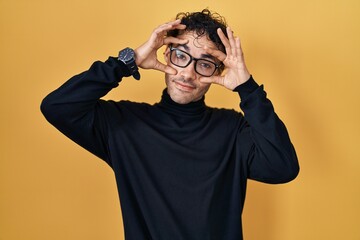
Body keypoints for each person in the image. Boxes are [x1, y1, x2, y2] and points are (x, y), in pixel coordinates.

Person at [41, 9, 299, 240]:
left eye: (205, 64)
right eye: (180, 56)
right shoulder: (123, 125)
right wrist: (126, 62)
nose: (188, 73)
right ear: (166, 54)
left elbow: (283, 167)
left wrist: (248, 89)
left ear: (218, 72)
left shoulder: (232, 130)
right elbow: (58, 106)